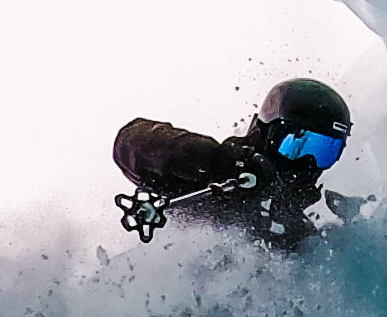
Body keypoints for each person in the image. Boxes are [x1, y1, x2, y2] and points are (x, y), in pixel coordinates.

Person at [112, 77, 354, 248]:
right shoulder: (209, 180)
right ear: (267, 134)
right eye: (297, 146)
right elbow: (129, 142)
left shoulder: (297, 235)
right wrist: (216, 161)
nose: (308, 163)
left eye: (326, 151)